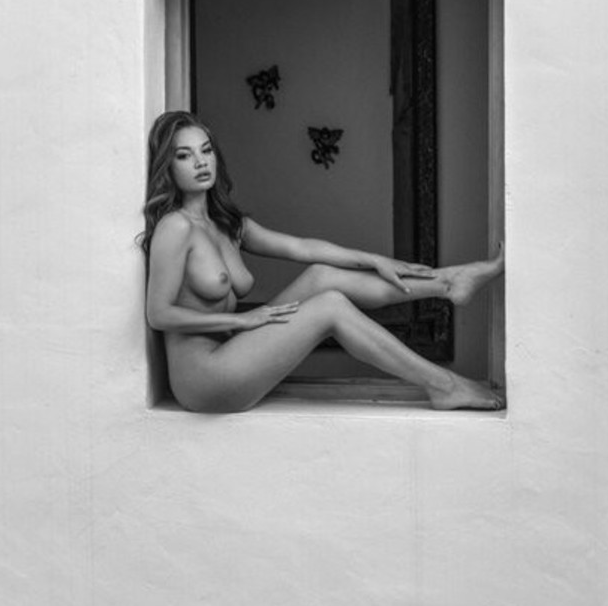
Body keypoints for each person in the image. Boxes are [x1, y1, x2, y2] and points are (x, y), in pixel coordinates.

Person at [142, 110, 505, 413]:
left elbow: (301, 248)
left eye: (206, 150)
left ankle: (447, 283)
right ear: (167, 167)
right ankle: (442, 385)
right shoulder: (175, 228)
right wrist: (241, 320)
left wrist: (375, 259)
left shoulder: (226, 223)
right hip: (204, 379)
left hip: (235, 349)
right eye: (184, 155)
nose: (200, 162)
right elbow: (158, 314)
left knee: (321, 276)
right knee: (330, 306)